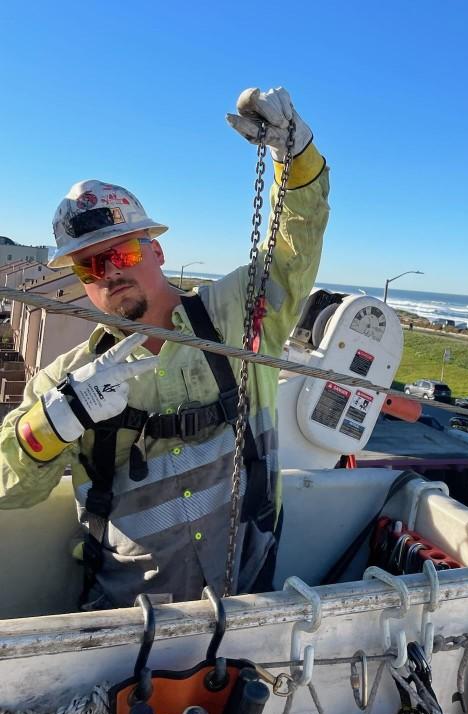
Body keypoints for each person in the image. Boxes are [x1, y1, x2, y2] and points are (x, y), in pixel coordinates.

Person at [0, 86, 330, 610]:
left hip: (249, 604)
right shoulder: (68, 380)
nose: (109, 274)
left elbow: (292, 247)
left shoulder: (237, 318)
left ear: (155, 250)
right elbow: (7, 486)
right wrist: (57, 422)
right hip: (130, 627)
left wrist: (297, 156)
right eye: (89, 266)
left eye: (122, 252)